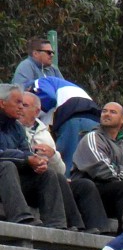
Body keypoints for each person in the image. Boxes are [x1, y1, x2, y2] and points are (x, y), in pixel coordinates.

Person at [0, 84, 71, 228]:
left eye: (23, 104)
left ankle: (56, 224)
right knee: (6, 166)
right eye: (18, 102)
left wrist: (38, 162)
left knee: (48, 174)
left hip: (13, 181)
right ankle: (21, 217)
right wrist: (26, 160)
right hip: (4, 175)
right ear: (2, 103)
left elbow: (26, 152)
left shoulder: (17, 127)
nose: (21, 107)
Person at [24, 77, 100, 176]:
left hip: (74, 119)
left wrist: (34, 114)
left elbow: (49, 97)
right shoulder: (63, 85)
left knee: (65, 163)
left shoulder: (40, 81)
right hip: (94, 121)